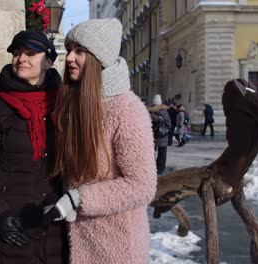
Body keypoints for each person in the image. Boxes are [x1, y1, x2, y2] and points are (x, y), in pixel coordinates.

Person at [45, 19, 157, 264]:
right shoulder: (74, 102)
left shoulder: (127, 109)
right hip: (79, 241)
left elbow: (141, 185)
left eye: (80, 51)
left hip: (117, 249)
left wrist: (79, 199)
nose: (70, 58)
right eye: (70, 49)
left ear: (99, 59)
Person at [0, 31, 68, 264]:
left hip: (54, 229)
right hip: (8, 228)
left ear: (49, 62)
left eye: (31, 53)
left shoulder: (65, 107)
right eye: (17, 53)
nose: (21, 58)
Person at [148, 94, 171, 175]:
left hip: (152, 136)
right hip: (163, 136)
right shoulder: (164, 112)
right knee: (162, 153)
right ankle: (160, 168)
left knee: (151, 153)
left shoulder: (149, 112)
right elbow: (169, 124)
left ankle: (151, 167)